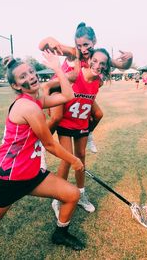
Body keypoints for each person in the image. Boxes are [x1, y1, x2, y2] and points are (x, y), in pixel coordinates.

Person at [0, 50, 86, 253]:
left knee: (72, 194)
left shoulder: (36, 100)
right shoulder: (27, 107)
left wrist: (57, 68)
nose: (31, 76)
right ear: (15, 85)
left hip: (30, 173)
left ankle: (60, 233)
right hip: (7, 178)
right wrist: (74, 160)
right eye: (23, 76)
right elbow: (49, 144)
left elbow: (68, 95)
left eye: (31, 72)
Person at [39, 22, 133, 154]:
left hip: (79, 92)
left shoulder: (97, 56)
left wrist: (130, 57)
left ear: (94, 41)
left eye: (86, 45)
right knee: (57, 117)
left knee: (98, 114)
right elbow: (42, 47)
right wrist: (49, 40)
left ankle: (88, 134)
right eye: (79, 45)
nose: (83, 49)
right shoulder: (74, 52)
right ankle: (41, 145)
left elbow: (124, 66)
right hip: (60, 87)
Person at [51, 48, 111, 217]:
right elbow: (53, 87)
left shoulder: (98, 82)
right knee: (67, 159)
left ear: (105, 67)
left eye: (103, 63)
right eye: (95, 60)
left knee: (81, 156)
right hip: (65, 121)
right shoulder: (75, 74)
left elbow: (89, 99)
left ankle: (81, 193)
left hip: (81, 123)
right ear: (89, 58)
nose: (98, 65)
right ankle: (57, 198)